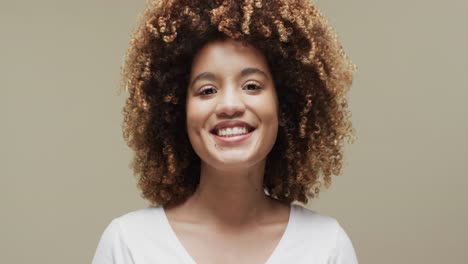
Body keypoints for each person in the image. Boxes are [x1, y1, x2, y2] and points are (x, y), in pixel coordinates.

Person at [92, 0, 357, 263]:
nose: (229, 105)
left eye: (252, 86)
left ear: (285, 104)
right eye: (207, 90)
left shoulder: (326, 246)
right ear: (177, 112)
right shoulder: (129, 243)